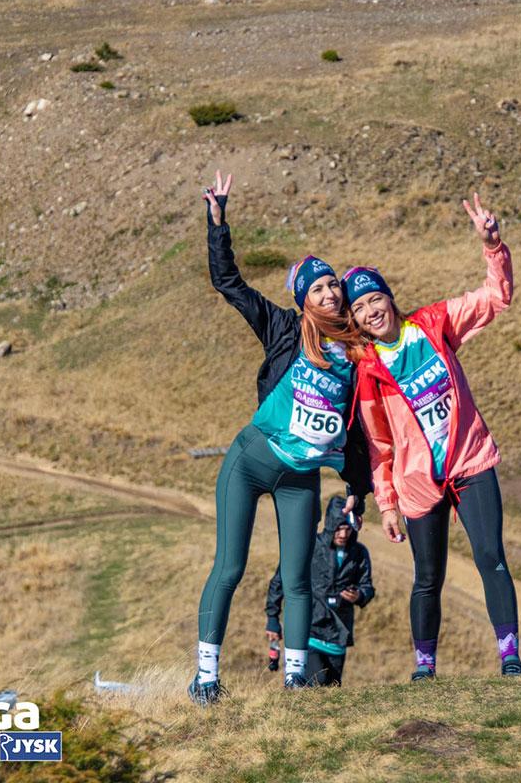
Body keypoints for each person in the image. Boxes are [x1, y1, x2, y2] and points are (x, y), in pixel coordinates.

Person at [191, 171, 371, 705]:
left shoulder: (360, 353)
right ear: (303, 299)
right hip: (249, 463)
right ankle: (205, 677)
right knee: (230, 568)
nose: (331, 292)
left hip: (300, 478)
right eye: (318, 287)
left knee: (298, 580)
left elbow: (358, 429)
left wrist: (360, 485)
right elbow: (230, 285)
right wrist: (218, 222)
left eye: (334, 284)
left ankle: (295, 682)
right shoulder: (284, 329)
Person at [343, 193, 521, 681]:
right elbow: (379, 448)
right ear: (355, 320)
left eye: (375, 298)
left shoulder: (432, 324)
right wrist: (386, 504)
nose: (371, 310)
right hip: (418, 484)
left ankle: (510, 657)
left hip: (470, 462)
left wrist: (493, 247)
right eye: (360, 308)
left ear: (389, 297)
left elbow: (495, 298)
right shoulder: (369, 372)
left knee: (492, 559)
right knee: (428, 579)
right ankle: (424, 668)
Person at [264, 494, 375, 686]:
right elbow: (280, 580)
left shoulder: (359, 553)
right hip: (309, 631)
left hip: (339, 634)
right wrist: (273, 618)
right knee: (314, 684)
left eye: (347, 529)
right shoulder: (310, 546)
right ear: (330, 525)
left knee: (331, 691)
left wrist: (360, 595)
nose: (343, 534)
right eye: (338, 528)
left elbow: (367, 586)